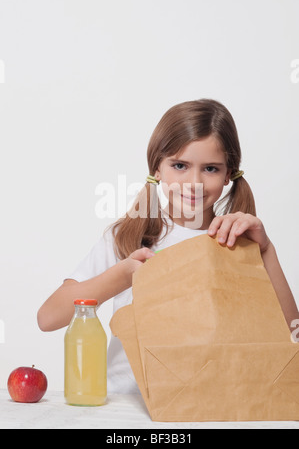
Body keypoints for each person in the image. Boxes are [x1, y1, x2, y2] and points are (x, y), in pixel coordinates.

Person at [37, 98, 299, 394]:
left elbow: (292, 338)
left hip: (214, 404)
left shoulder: (240, 243)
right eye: (180, 165)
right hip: (125, 406)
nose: (194, 182)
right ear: (157, 168)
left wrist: (266, 251)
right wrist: (122, 276)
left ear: (229, 173)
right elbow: (48, 318)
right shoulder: (129, 237)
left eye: (210, 168)